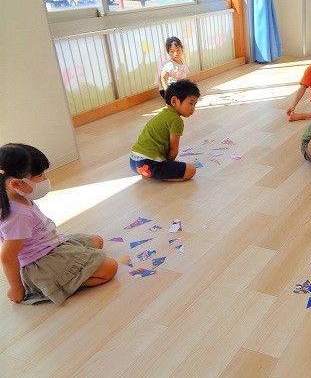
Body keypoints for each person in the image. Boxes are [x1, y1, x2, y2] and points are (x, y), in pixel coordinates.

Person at [0, 144, 118, 305]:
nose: (45, 179)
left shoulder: (19, 195)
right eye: (40, 175)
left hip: (53, 243)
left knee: (97, 241)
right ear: (16, 184)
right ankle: (51, 286)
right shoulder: (18, 216)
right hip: (40, 262)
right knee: (110, 268)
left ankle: (66, 276)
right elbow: (7, 257)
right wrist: (16, 287)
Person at [130, 79, 200, 181]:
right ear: (174, 101)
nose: (193, 108)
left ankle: (151, 173)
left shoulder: (163, 114)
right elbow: (173, 149)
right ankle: (156, 174)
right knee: (191, 170)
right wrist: (169, 163)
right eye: (191, 103)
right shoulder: (176, 120)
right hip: (148, 164)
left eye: (194, 104)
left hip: (133, 162)